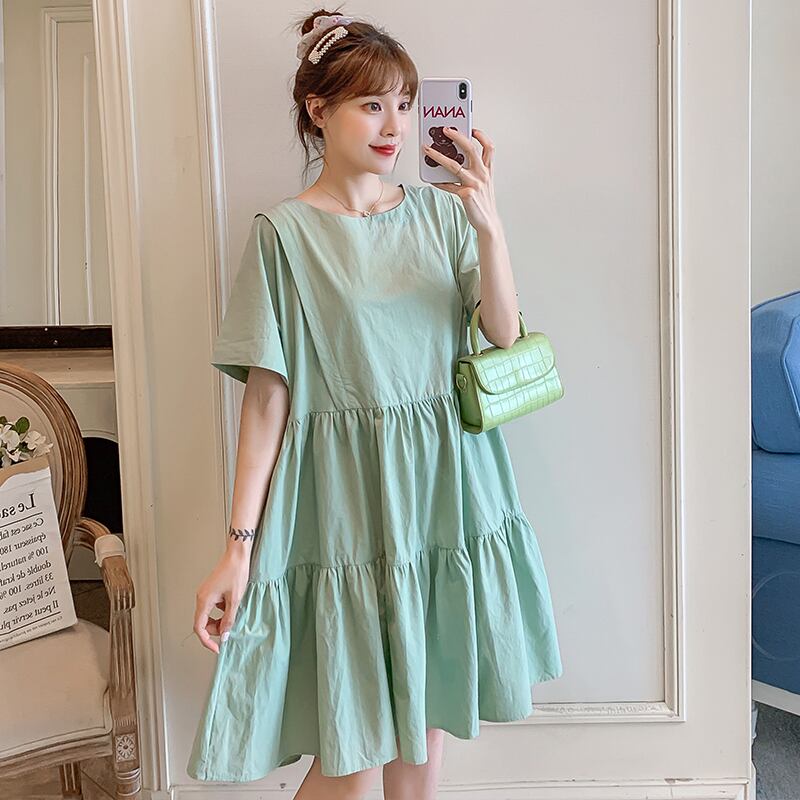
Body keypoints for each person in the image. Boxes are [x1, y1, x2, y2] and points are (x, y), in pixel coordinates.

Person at [187, 8, 563, 799]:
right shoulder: (283, 235)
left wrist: (489, 222)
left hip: (446, 489)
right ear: (318, 111)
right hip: (343, 503)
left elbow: (502, 333)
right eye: (371, 104)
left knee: (424, 735)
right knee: (351, 761)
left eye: (405, 103)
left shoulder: (441, 214)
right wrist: (239, 546)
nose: (395, 125)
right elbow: (267, 399)